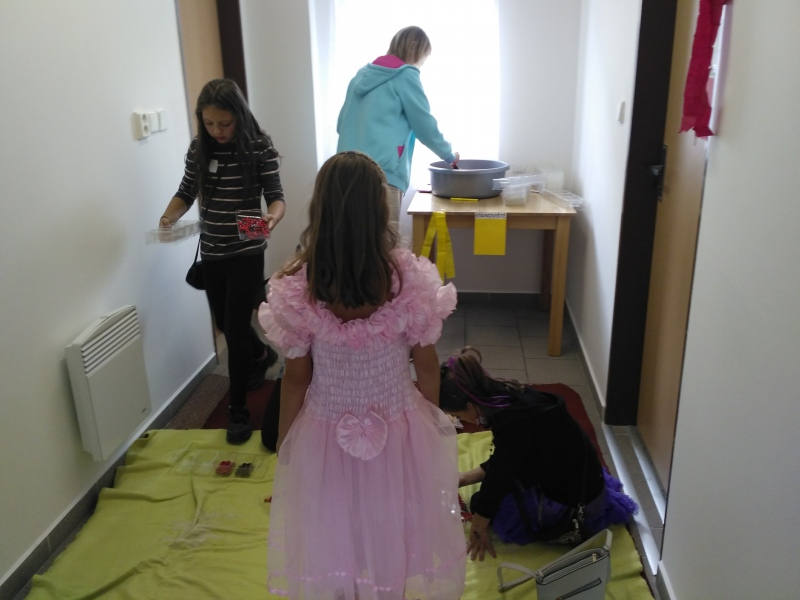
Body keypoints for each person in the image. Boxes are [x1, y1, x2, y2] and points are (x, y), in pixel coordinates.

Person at [258, 151, 465, 599]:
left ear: (320, 209)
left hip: (324, 432)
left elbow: (296, 377)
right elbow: (426, 365)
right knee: (391, 521)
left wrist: (288, 444)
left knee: (335, 524)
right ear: (378, 211)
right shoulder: (406, 280)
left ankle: (348, 590)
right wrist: (429, 422)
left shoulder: (300, 286)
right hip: (399, 427)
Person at [159, 79, 285, 444]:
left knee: (234, 326)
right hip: (212, 250)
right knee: (225, 324)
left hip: (247, 247)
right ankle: (261, 353)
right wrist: (168, 217)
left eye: (225, 123)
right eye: (210, 123)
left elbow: (276, 196)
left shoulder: (258, 147)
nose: (218, 130)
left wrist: (272, 217)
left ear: (239, 117)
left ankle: (238, 410)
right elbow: (185, 191)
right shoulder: (199, 148)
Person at [440, 347, 639, 562]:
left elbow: (500, 477)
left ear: (471, 406)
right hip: (585, 479)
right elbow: (509, 459)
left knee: (482, 504)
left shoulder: (514, 423)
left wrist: (478, 528)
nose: (461, 421)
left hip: (576, 503)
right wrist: (465, 478)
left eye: (457, 415)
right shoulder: (513, 394)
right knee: (489, 497)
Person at [336, 25, 459, 231]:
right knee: (384, 242)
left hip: (343, 174)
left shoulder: (361, 75)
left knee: (350, 241)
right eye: (422, 58)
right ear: (413, 47)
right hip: (382, 174)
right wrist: (449, 156)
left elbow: (341, 124)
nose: (420, 65)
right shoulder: (405, 75)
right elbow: (424, 124)